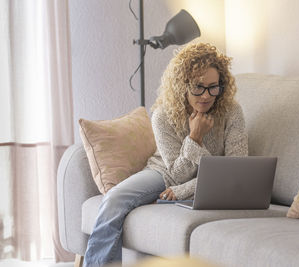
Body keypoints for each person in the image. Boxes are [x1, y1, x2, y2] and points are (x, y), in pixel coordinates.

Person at [83, 42, 248, 267]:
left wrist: (182, 191)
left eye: (213, 87)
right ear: (183, 86)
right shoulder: (163, 116)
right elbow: (177, 173)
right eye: (198, 87)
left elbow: (237, 171)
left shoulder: (232, 112)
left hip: (206, 182)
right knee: (114, 198)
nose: (207, 96)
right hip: (164, 173)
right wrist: (195, 138)